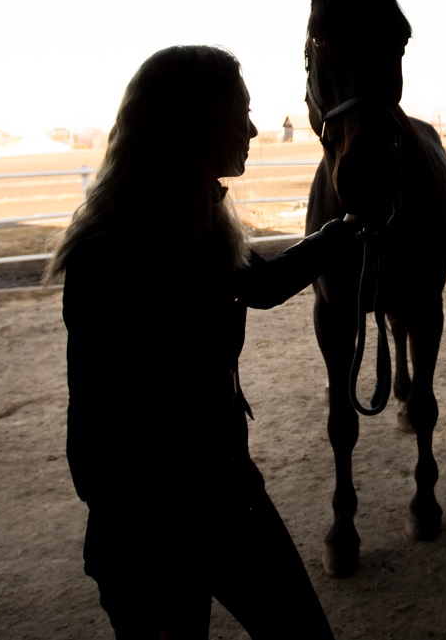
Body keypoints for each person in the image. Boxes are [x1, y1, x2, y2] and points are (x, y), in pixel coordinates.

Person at [46, 45, 349, 639]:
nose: (255, 129)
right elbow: (101, 427)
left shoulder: (194, 220)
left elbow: (257, 286)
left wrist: (341, 234)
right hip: (152, 522)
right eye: (241, 111)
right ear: (193, 123)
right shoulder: (113, 253)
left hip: (223, 489)